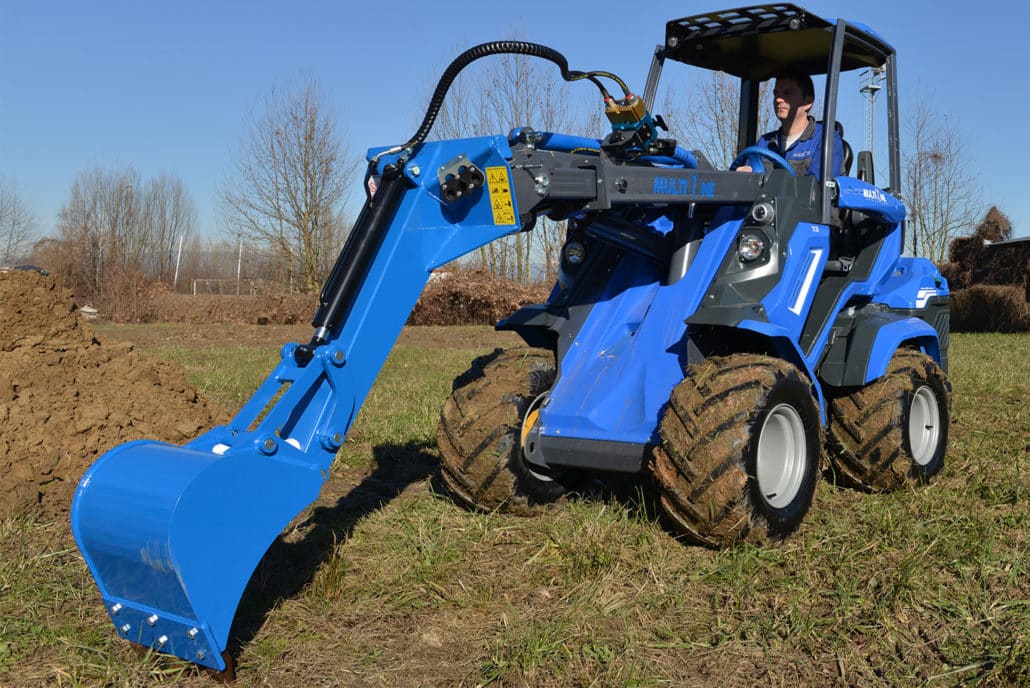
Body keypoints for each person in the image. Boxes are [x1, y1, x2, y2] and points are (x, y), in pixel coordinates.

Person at [737, 72, 844, 177]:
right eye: (776, 94)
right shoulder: (764, 143)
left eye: (787, 93)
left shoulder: (826, 140)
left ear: (808, 102)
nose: (778, 99)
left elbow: (816, 190)